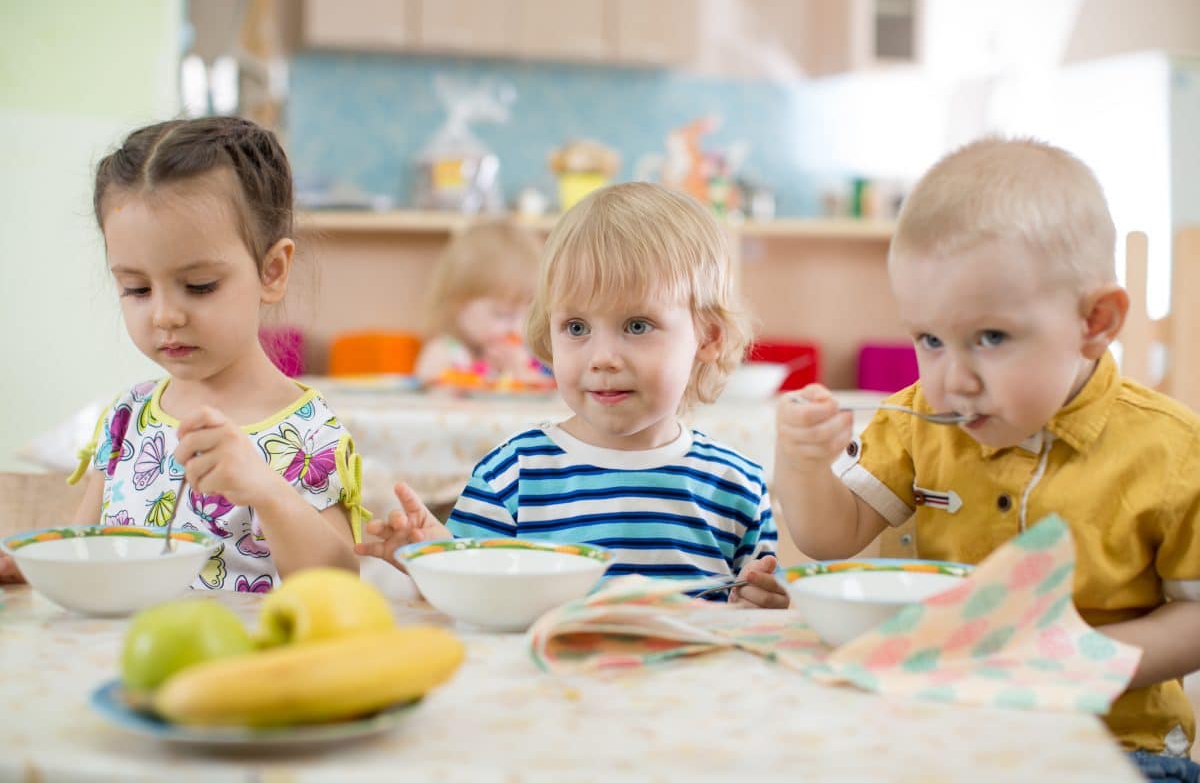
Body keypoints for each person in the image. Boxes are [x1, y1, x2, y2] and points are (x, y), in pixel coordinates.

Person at [775, 137, 1200, 777]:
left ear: (1095, 322)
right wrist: (807, 464)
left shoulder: (1169, 450)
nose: (952, 381)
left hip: (1117, 742)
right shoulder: (918, 422)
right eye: (930, 339)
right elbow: (832, 538)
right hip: (947, 722)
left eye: (990, 338)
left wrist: (1085, 656)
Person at [359, 182, 788, 607]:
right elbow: (473, 597)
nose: (602, 358)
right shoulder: (513, 475)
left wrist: (759, 604)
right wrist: (435, 557)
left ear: (708, 337)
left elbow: (752, 608)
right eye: (577, 328)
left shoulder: (738, 486)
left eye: (637, 325)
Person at [0, 116, 369, 591]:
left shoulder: (305, 432)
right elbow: (85, 546)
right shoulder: (127, 416)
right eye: (136, 288)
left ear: (272, 271)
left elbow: (340, 582)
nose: (165, 315)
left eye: (199, 286)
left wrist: (266, 491)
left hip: (244, 662)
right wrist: (34, 565)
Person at [414, 219, 548, 386]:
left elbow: (548, 397)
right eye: (503, 314)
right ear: (458, 306)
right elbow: (428, 391)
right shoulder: (446, 352)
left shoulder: (527, 356)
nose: (517, 328)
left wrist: (519, 373)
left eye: (530, 314)